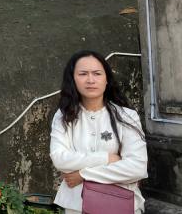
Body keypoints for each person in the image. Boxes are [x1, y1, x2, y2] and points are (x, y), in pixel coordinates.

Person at [50, 50, 147, 214]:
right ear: (73, 79)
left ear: (106, 79)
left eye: (97, 73)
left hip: (121, 203)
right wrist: (106, 158)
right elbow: (59, 159)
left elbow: (137, 167)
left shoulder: (126, 116)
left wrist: (83, 174)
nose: (90, 80)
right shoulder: (63, 116)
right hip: (77, 206)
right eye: (82, 74)